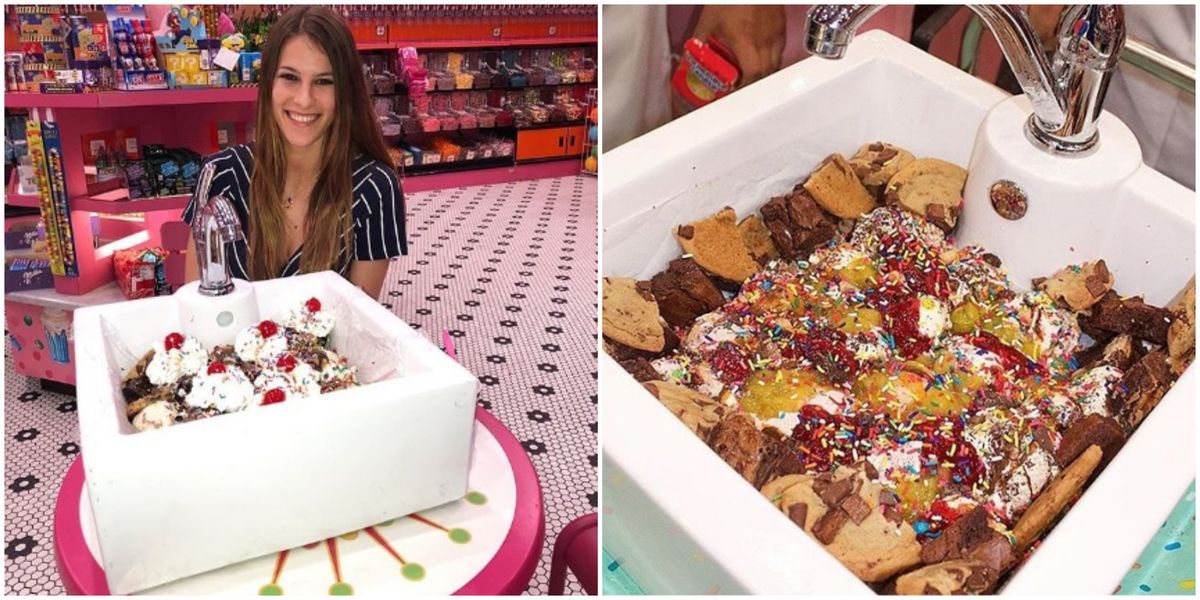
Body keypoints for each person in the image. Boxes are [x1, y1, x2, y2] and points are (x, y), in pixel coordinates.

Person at [182, 6, 406, 300]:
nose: (304, 99)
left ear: (346, 92)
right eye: (290, 77)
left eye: (324, 81)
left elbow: (356, 324)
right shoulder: (219, 175)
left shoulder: (374, 188)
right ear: (268, 83)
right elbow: (193, 309)